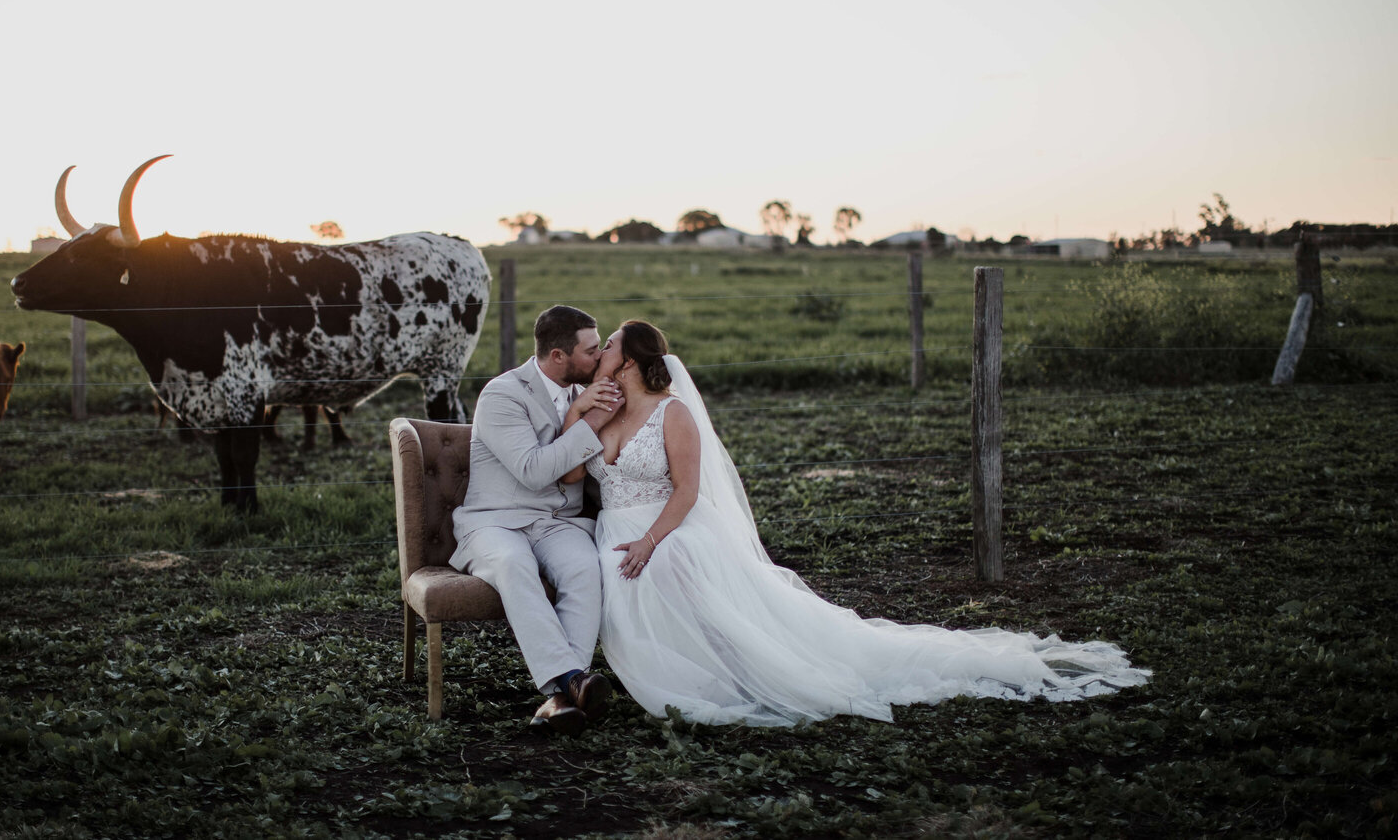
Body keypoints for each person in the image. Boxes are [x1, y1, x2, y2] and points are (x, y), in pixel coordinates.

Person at [567, 319, 1150, 727]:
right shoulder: (602, 406)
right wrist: (580, 408)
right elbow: (570, 473)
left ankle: (726, 669)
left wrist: (647, 539)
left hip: (665, 527)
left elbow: (689, 491)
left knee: (671, 561)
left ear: (637, 358)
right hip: (611, 531)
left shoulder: (675, 415)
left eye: (611, 343)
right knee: (622, 576)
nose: (603, 351)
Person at [451, 305, 627, 735]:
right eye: (590, 351)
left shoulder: (583, 391)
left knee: (586, 568)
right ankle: (572, 679)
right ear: (558, 357)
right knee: (514, 565)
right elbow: (531, 469)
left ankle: (561, 699)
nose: (597, 359)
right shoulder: (502, 394)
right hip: (496, 522)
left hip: (556, 522)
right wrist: (594, 418)